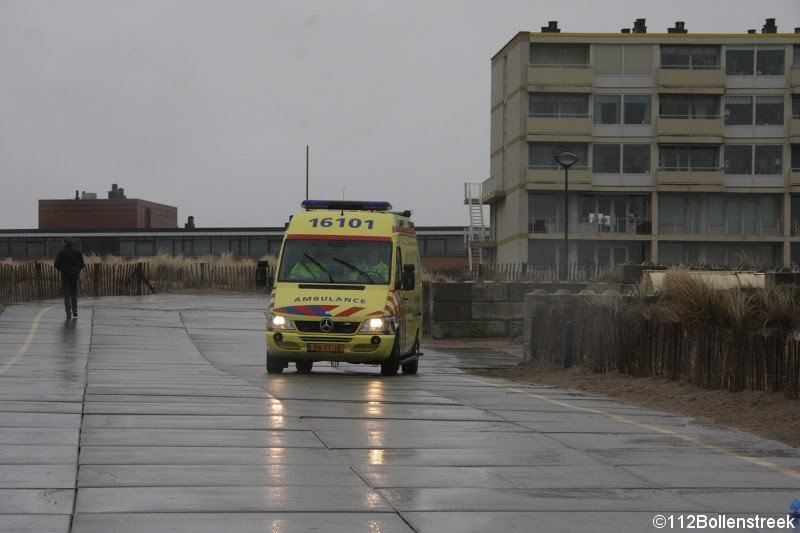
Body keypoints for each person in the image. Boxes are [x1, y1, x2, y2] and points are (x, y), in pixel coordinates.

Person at [54, 238, 85, 319]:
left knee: (67, 295)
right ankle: (75, 312)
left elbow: (56, 264)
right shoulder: (77, 253)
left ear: (66, 244)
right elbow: (82, 264)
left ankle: (68, 313)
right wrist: (77, 270)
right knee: (74, 294)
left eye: (64, 243)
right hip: (75, 275)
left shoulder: (61, 253)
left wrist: (62, 270)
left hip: (65, 275)